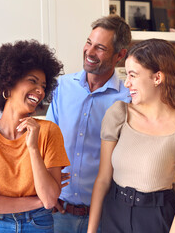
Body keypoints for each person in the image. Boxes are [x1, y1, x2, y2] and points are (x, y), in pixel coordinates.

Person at [88, 39, 175, 233]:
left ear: (157, 77)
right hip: (114, 213)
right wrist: (91, 231)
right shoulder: (119, 114)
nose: (127, 83)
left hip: (156, 218)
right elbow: (103, 179)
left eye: (133, 75)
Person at [0, 40, 70, 233]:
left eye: (44, 86)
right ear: (8, 84)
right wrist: (38, 201)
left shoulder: (48, 131)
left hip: (39, 224)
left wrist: (33, 148)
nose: (40, 90)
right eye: (33, 81)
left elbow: (51, 198)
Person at [45, 15, 132, 233]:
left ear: (120, 55)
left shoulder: (128, 98)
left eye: (100, 48)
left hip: (105, 216)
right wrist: (47, 189)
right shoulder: (62, 87)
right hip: (58, 213)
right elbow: (44, 143)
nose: (90, 52)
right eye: (89, 42)